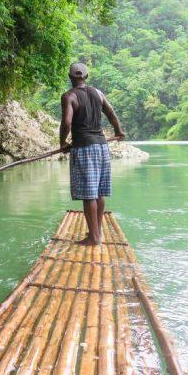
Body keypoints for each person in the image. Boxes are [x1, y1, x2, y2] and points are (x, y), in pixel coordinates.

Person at [59, 62, 125, 245]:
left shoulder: (69, 96)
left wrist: (62, 142)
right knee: (98, 193)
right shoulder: (98, 93)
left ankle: (94, 237)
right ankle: (97, 232)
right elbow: (111, 113)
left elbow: (66, 122)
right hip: (102, 147)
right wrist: (118, 131)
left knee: (89, 194)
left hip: (84, 147)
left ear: (71, 77)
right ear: (86, 77)